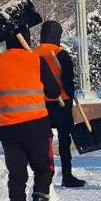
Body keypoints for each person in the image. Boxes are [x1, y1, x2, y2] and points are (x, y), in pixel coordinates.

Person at [0, 27, 61, 201]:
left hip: (10, 129)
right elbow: (53, 92)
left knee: (16, 173)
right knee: (45, 168)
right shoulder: (36, 60)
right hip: (38, 126)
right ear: (26, 39)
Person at [34, 20, 87, 188]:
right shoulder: (60, 54)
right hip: (62, 103)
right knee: (64, 141)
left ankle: (44, 176)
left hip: (41, 104)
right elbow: (68, 81)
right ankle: (67, 175)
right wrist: (71, 95)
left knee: (44, 142)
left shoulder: (33, 54)